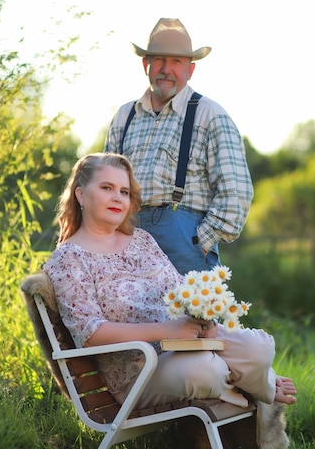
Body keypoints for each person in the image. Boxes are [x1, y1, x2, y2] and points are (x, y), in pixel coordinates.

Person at [43, 153, 296, 412]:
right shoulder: (68, 258)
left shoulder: (142, 240)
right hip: (141, 373)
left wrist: (204, 323)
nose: (118, 197)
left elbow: (179, 293)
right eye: (106, 188)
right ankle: (259, 386)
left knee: (259, 348)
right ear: (81, 195)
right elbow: (90, 333)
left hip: (188, 347)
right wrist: (167, 330)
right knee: (207, 371)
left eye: (125, 191)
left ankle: (254, 381)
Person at [104, 18, 254, 275]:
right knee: (127, 316)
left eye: (176, 61)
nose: (166, 69)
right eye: (159, 59)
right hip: (125, 242)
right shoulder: (124, 116)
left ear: (190, 70)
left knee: (188, 317)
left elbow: (236, 195)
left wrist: (199, 242)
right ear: (145, 64)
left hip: (185, 248)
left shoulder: (210, 115)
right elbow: (104, 184)